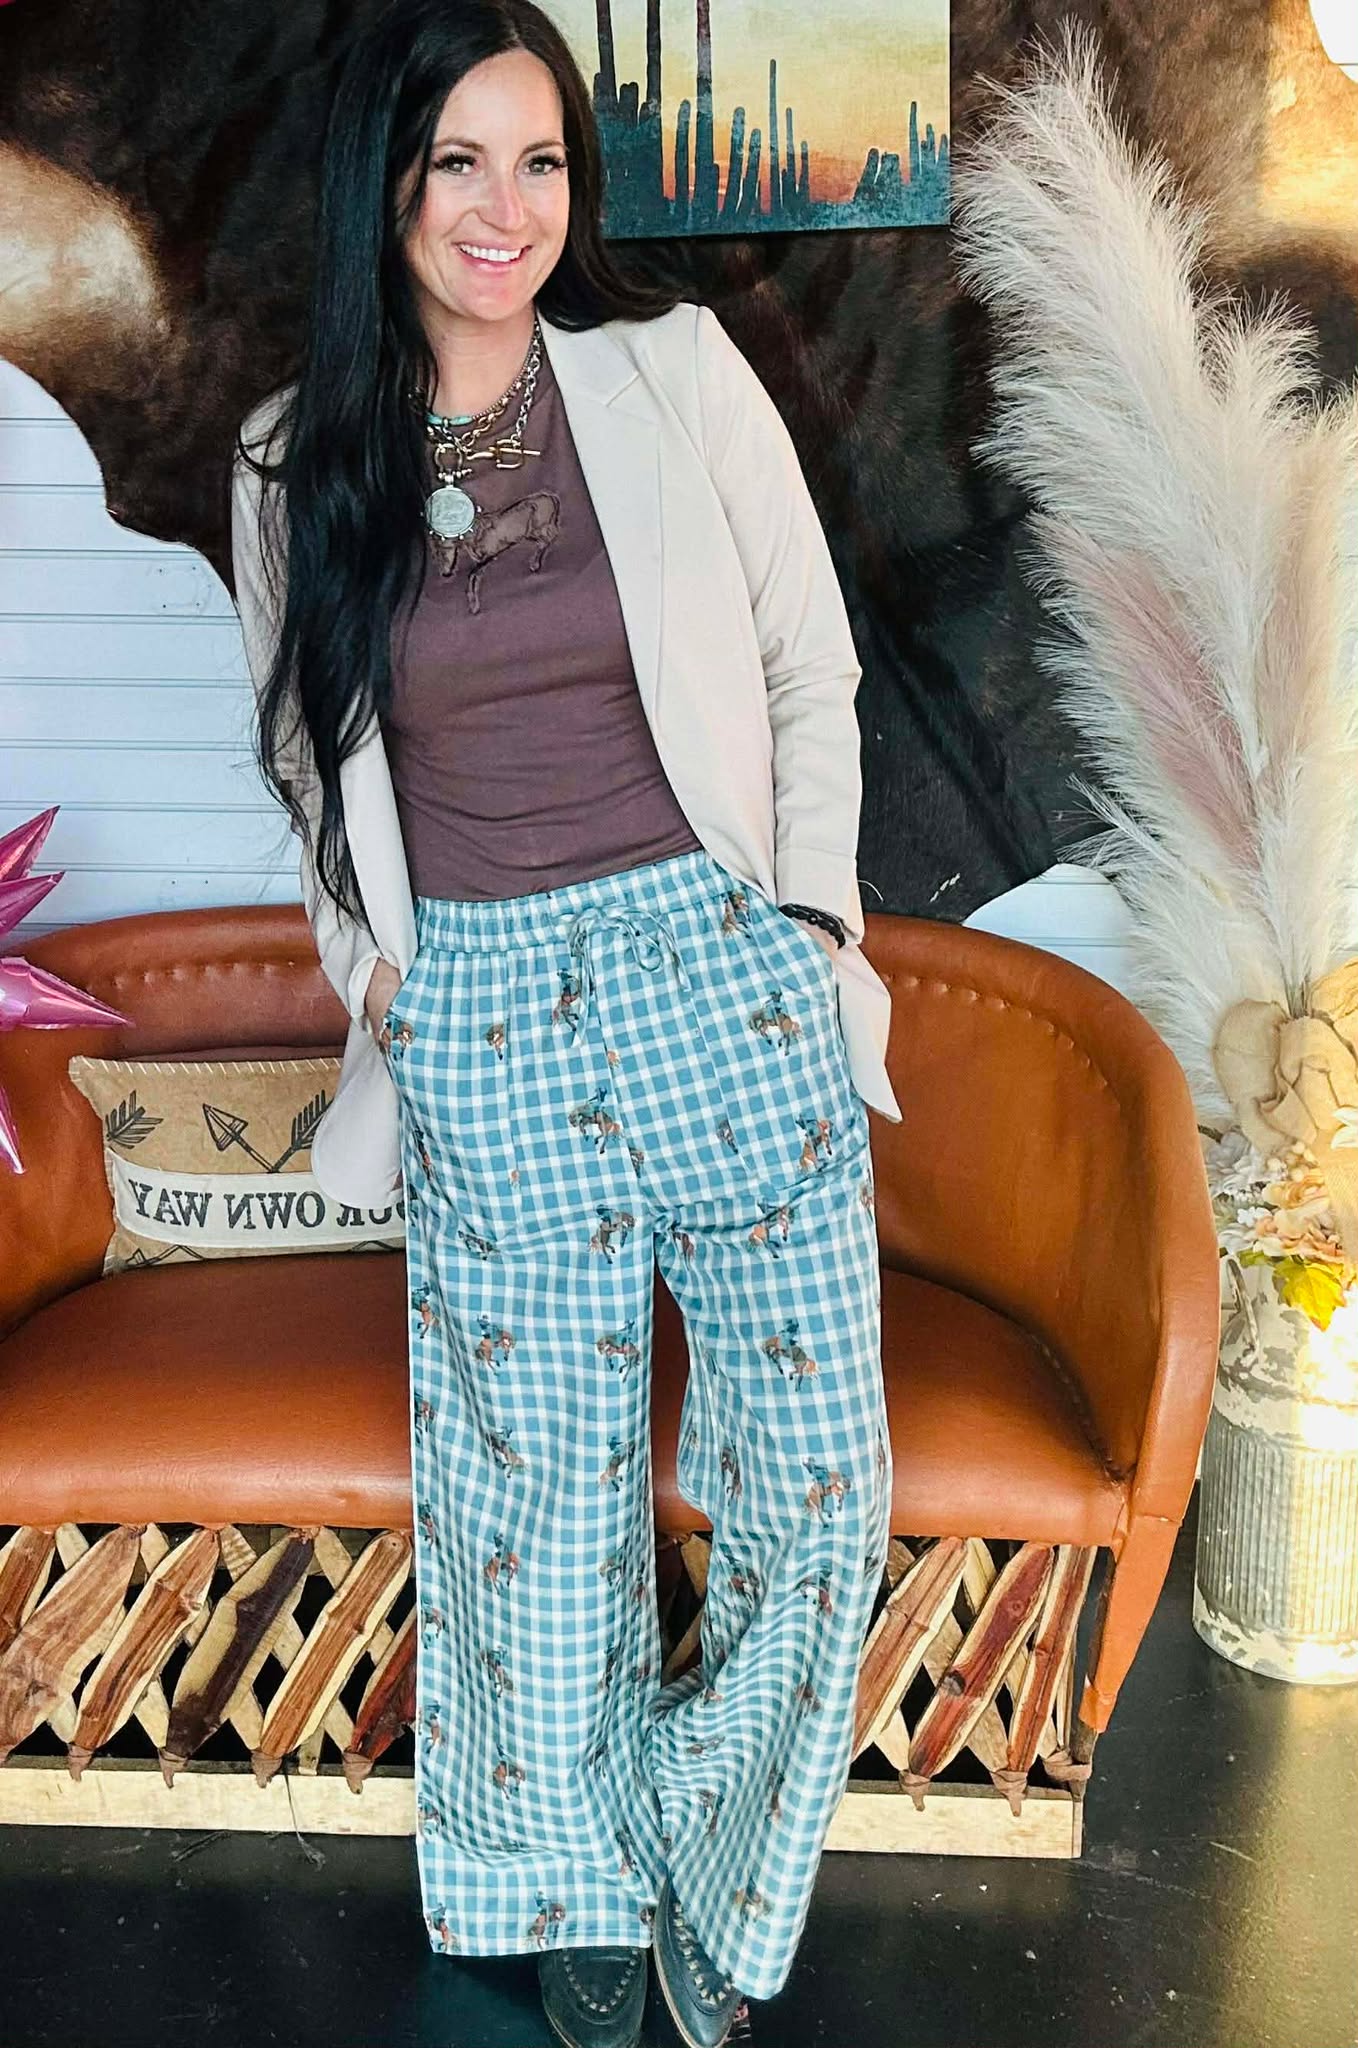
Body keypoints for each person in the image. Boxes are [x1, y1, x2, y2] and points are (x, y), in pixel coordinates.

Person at [230, 4, 899, 2043]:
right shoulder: (291, 463)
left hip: (717, 965)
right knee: (538, 1503)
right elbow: (303, 762)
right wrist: (392, 987)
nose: (503, 208)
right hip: (486, 1000)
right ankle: (575, 1881)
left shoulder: (671, 374)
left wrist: (806, 928)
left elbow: (804, 667)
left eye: (538, 161)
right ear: (384, 184)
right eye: (456, 160)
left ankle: (691, 1829)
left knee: (819, 1482)